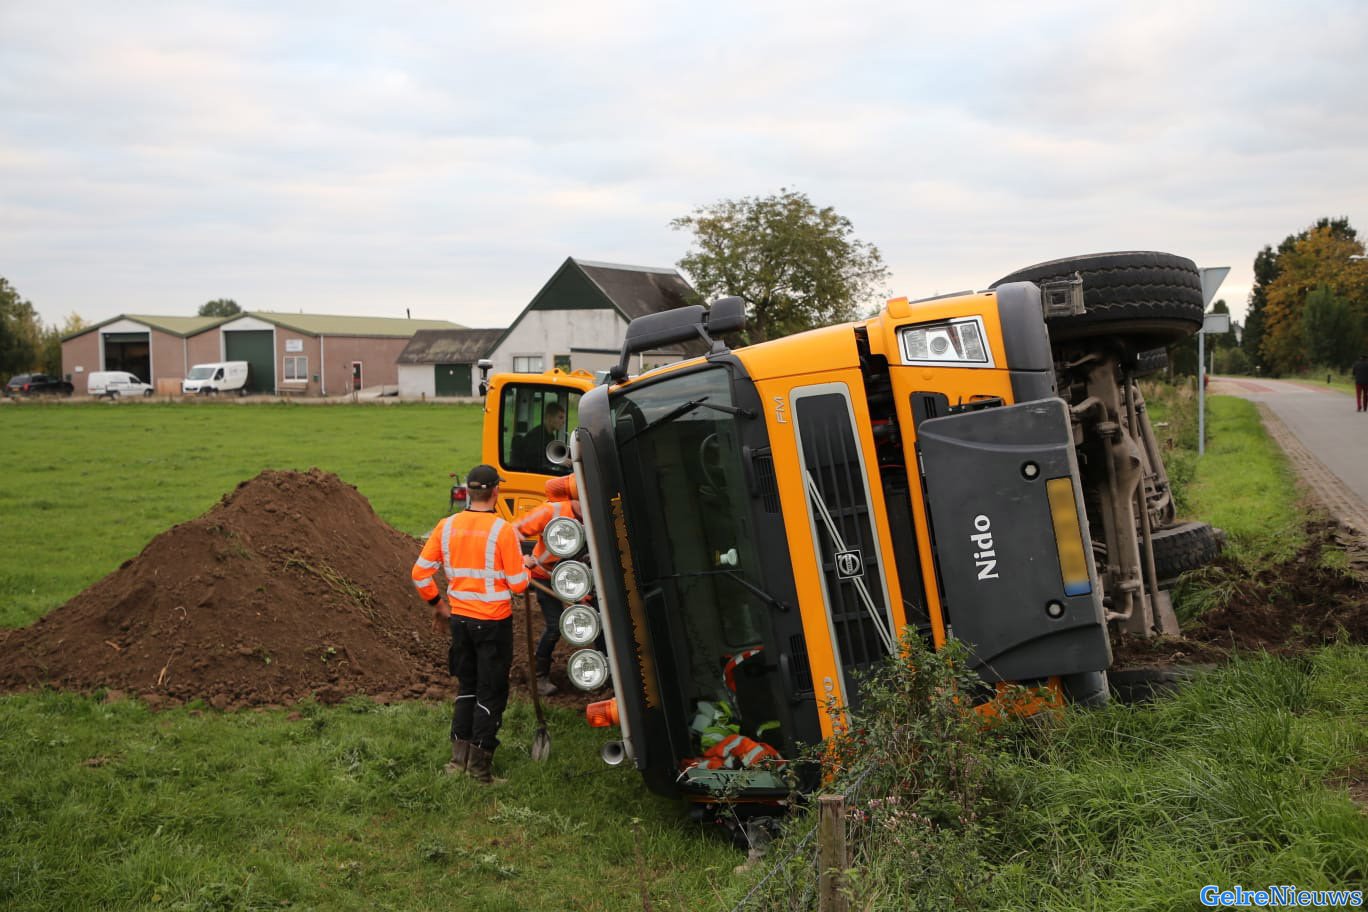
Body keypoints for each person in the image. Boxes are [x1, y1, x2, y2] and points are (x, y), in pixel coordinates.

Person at [412, 464, 529, 784]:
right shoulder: (502, 530)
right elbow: (519, 585)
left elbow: (420, 573)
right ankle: (480, 770)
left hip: (460, 622)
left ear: (468, 492)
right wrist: (527, 567)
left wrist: (438, 605)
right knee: (491, 692)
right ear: (496, 491)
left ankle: (457, 762)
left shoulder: (446, 526)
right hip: (492, 624)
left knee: (467, 688)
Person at [514, 476, 582, 696]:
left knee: (600, 623)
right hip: (546, 575)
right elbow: (513, 531)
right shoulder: (552, 512)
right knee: (555, 626)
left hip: (581, 579)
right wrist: (521, 559)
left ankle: (607, 674)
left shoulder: (599, 514)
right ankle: (539, 675)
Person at [513, 401, 567, 471]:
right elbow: (535, 463)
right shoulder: (535, 436)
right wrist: (558, 462)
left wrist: (560, 459)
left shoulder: (550, 436)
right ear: (549, 417)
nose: (563, 421)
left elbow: (547, 456)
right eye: (560, 417)